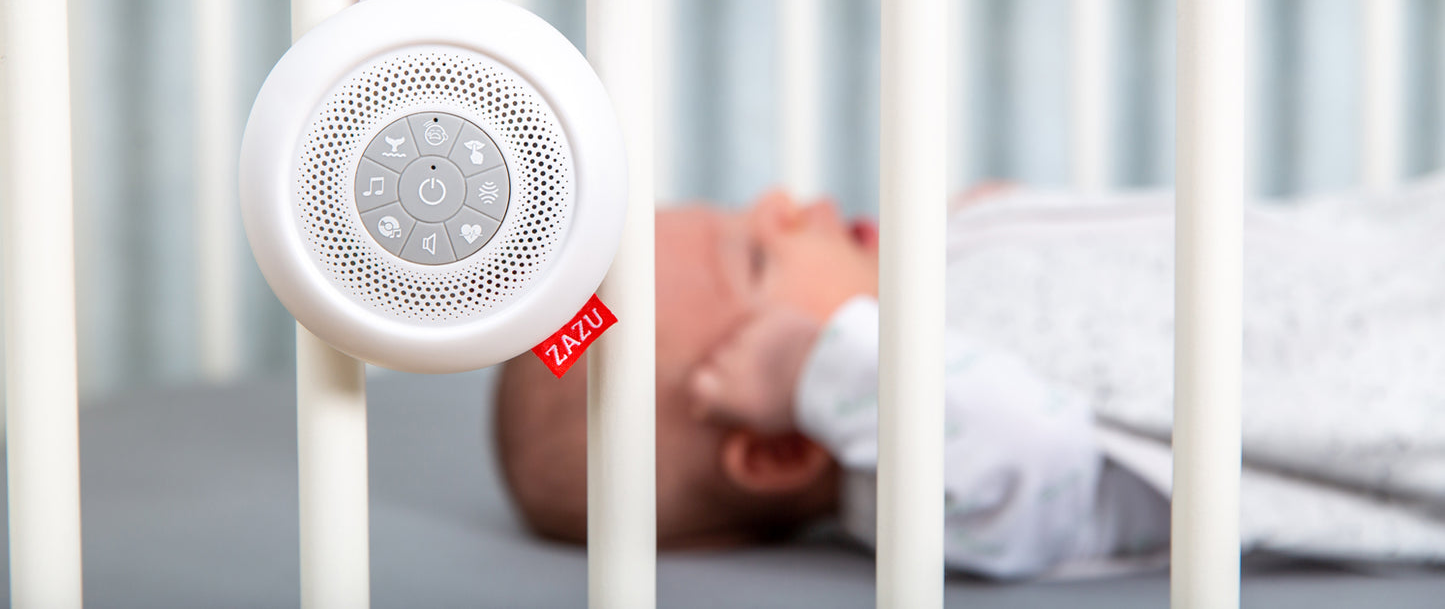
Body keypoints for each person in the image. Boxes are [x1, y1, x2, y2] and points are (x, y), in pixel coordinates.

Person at [494, 175, 1445, 578]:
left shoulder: (931, 264)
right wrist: (826, 370)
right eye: (755, 256)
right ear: (783, 442)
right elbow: (1036, 460)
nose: (790, 202)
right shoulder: (913, 476)